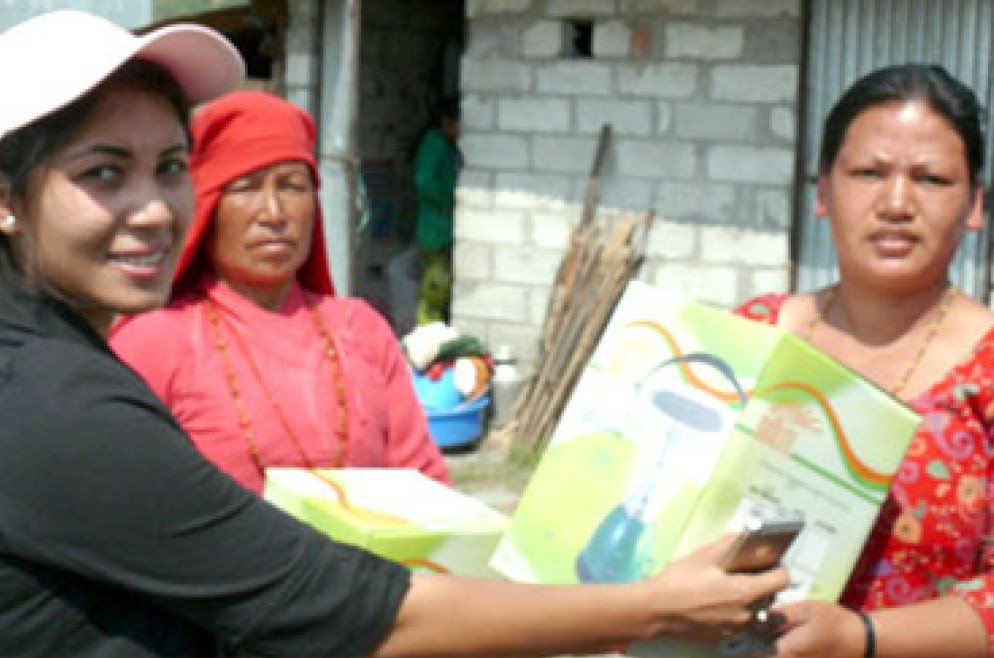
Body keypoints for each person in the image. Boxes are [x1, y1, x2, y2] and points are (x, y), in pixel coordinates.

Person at [0, 9, 788, 657]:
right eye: (102, 173)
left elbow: (425, 495)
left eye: (170, 167)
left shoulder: (352, 327)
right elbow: (351, 610)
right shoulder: (56, 402)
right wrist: (654, 608)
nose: (151, 207)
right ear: (7, 200)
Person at [733, 64, 994, 658]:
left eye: (930, 179)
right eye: (868, 173)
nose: (896, 202)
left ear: (975, 205)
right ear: (823, 192)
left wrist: (863, 638)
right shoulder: (754, 335)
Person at [110, 90, 450, 494]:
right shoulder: (155, 341)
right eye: (246, 188)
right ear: (207, 207)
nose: (273, 213)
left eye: (291, 186)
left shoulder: (361, 330)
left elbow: (424, 484)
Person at [413, 98, 461, 324]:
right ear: (447, 122)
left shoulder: (446, 146)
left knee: (441, 288)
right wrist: (450, 199)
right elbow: (423, 181)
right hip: (435, 231)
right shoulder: (435, 143)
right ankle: (427, 334)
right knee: (434, 289)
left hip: (442, 229)